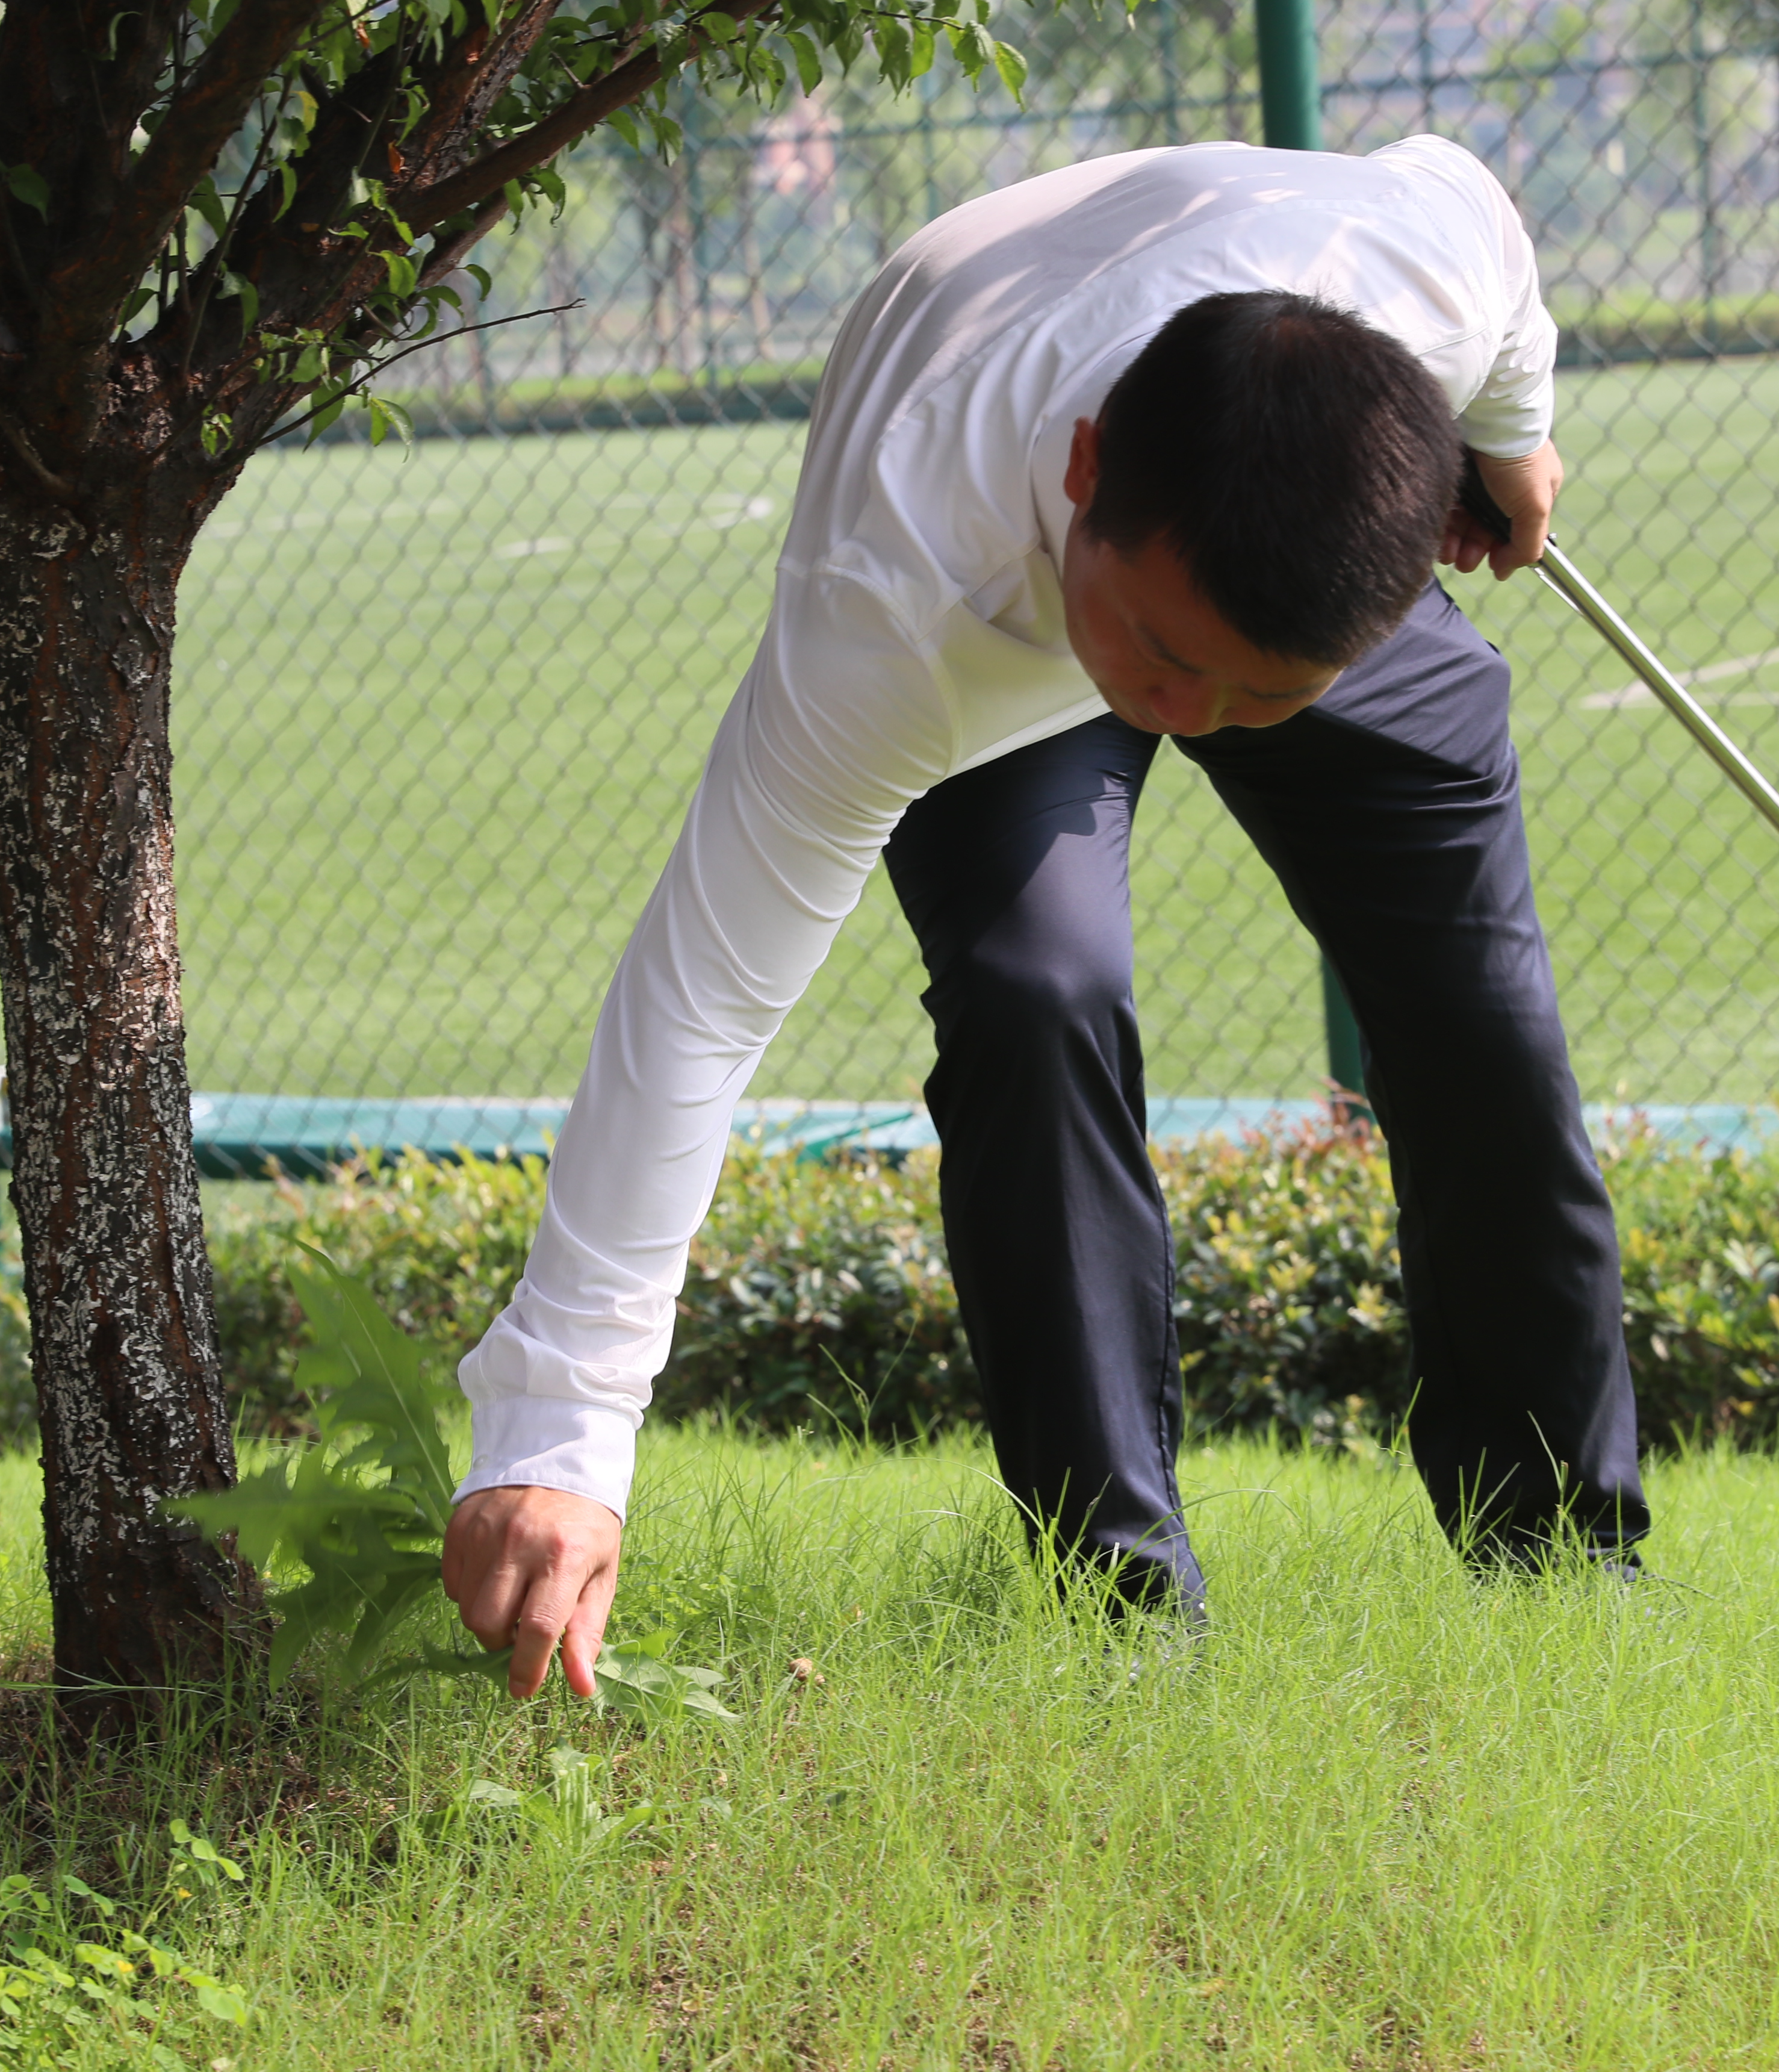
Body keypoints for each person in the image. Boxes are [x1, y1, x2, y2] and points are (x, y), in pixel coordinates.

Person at [440, 135, 1648, 1699]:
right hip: (996, 598)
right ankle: (1128, 1623)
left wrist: (1514, 432)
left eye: (1252, 696)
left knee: (1484, 1014)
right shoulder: (891, 604)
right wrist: (559, 1431)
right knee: (1037, 993)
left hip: (1239, 511)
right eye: (1162, 663)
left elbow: (1474, 193)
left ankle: (1565, 1571)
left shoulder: (1414, 283)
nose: (1191, 719)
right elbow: (705, 1001)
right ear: (1085, 474)